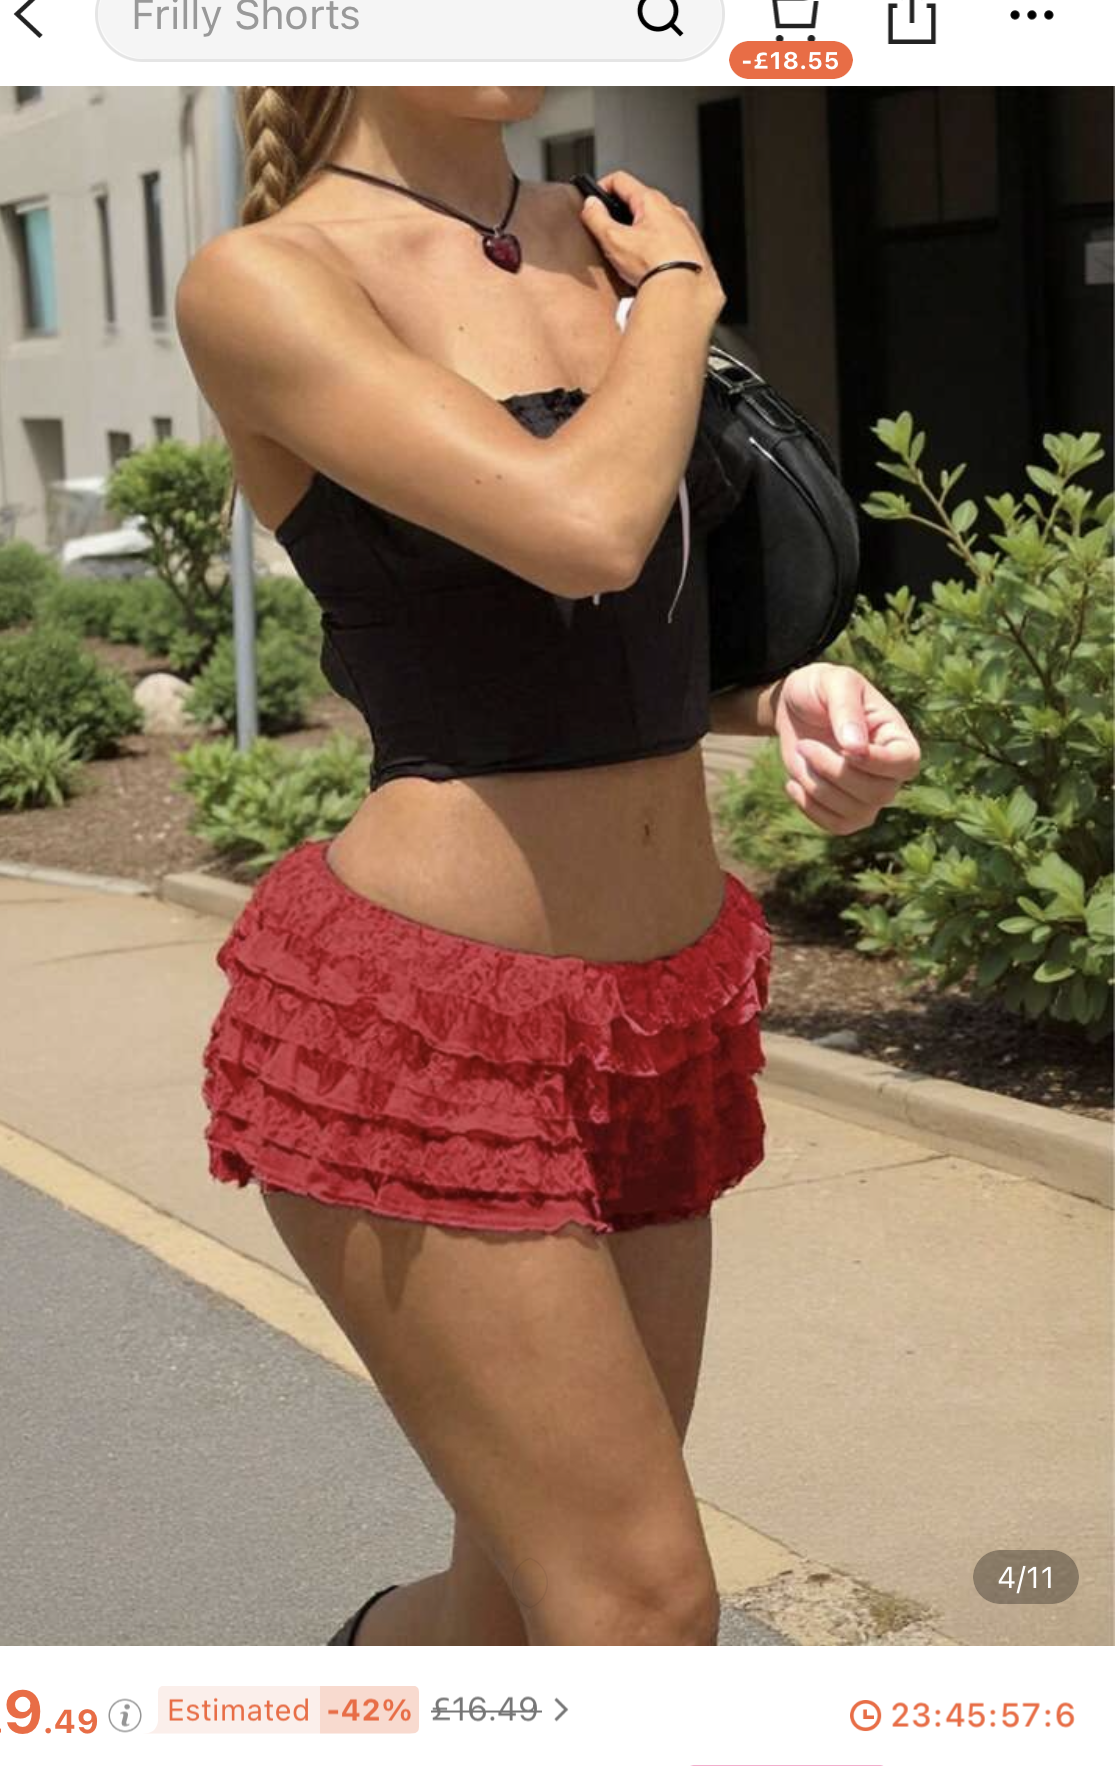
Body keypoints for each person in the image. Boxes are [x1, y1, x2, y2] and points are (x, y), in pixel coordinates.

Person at [176, 87, 921, 1649]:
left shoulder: (602, 241)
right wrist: (680, 302)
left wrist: (781, 696)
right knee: (641, 1609)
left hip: (658, 1018)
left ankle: (355, 1724)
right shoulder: (271, 277)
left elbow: (632, 625)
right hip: (421, 1036)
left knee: (517, 1605)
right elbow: (577, 527)